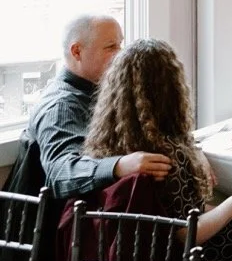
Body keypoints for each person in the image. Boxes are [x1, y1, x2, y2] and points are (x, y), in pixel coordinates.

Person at [83, 39, 232, 261]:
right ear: (172, 89)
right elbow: (188, 233)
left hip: (136, 256)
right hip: (194, 260)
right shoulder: (167, 152)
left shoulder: (104, 147)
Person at [14, 15, 172, 200]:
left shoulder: (107, 91)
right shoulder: (60, 106)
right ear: (77, 52)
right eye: (111, 47)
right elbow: (61, 171)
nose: (121, 54)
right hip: (68, 215)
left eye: (120, 45)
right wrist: (120, 166)